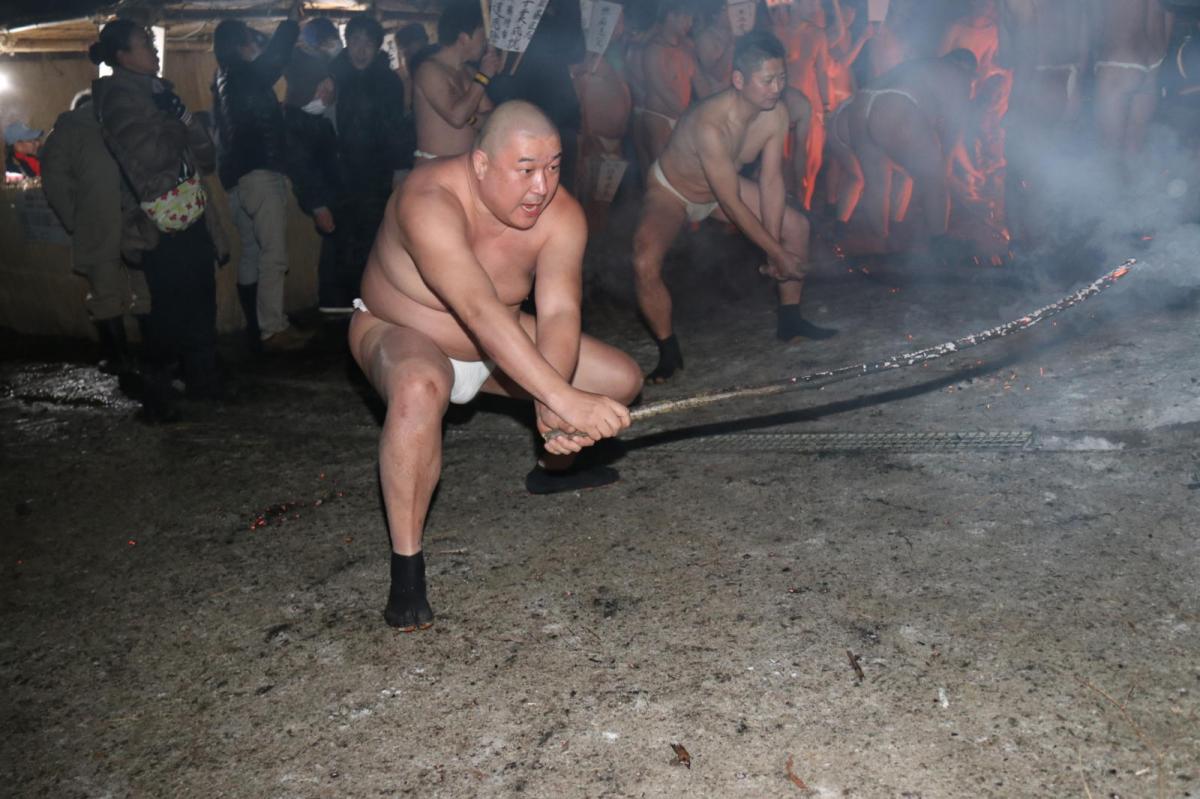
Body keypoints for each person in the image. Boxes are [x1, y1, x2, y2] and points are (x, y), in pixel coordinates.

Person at [347, 101, 642, 630]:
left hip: (499, 344)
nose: (541, 187)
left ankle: (552, 470)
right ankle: (406, 568)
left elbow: (557, 311)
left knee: (621, 379)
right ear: (480, 164)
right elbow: (477, 309)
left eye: (553, 167)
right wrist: (559, 393)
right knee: (418, 386)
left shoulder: (562, 214)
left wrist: (554, 410)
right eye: (525, 169)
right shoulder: (427, 198)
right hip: (404, 333)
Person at [631, 31, 835, 384]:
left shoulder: (775, 114)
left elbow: (771, 181)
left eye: (781, 78)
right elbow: (731, 202)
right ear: (739, 80)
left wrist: (775, 250)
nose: (776, 88)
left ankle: (790, 322)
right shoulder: (710, 123)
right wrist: (775, 253)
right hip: (674, 191)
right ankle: (668, 352)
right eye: (767, 80)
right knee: (644, 261)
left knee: (796, 228)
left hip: (723, 187)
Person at [90, 19, 225, 420]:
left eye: (151, 41)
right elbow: (152, 156)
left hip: (188, 208)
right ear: (122, 56)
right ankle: (156, 395)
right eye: (143, 43)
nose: (153, 49)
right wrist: (177, 123)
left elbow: (206, 156)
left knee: (201, 295)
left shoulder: (160, 92)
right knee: (169, 306)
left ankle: (203, 380)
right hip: (156, 219)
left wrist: (183, 119)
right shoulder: (117, 99)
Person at [213, 15, 312, 353]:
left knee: (252, 253)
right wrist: (289, 24)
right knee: (274, 254)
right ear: (241, 45)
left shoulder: (222, 79)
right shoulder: (242, 74)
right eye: (251, 41)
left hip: (238, 178)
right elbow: (273, 63)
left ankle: (256, 326)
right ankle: (273, 328)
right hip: (258, 173)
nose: (256, 47)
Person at [40, 89, 150, 385]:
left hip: (95, 217)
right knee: (144, 285)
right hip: (136, 214)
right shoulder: (126, 119)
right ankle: (155, 353)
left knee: (105, 292)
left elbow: (54, 181)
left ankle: (119, 358)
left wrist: (74, 220)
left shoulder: (64, 132)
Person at [845, 50, 979, 246]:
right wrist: (946, 162)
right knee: (935, 179)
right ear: (968, 69)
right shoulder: (960, 76)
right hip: (895, 105)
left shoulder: (925, 62)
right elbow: (954, 125)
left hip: (861, 103)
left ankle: (880, 241)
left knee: (877, 183)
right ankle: (940, 242)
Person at [329, 14, 412, 313]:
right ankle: (349, 308)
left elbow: (396, 128)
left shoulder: (388, 81)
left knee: (375, 241)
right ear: (346, 43)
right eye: (355, 41)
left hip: (376, 174)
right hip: (341, 174)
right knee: (344, 243)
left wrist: (400, 169)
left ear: (378, 47)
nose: (361, 49)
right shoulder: (333, 77)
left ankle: (374, 306)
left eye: (368, 42)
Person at [282, 36, 343, 314]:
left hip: (334, 192)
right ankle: (333, 305)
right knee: (333, 249)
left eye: (328, 86)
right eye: (321, 87)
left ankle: (337, 304)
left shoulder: (315, 117)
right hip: (325, 197)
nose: (326, 92)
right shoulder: (298, 121)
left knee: (338, 247)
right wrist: (318, 205)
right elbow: (301, 166)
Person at [412, 0, 500, 160]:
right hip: (434, 169)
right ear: (464, 38)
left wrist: (472, 118)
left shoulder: (470, 72)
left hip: (465, 166)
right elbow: (457, 118)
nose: (485, 42)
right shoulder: (429, 70)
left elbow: (492, 118)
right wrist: (484, 76)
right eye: (482, 35)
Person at [1090, 0, 1173, 165]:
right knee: (1135, 146)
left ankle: (1112, 188)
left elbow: (1093, 18)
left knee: (1109, 148)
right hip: (1154, 58)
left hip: (1120, 55)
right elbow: (1169, 12)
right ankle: (1138, 187)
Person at [770, 0, 832, 210]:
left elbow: (823, 73)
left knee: (811, 164)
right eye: (809, 2)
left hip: (811, 106)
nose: (815, 6)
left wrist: (827, 107)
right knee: (782, 163)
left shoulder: (818, 35)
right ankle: (782, 211)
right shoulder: (776, 32)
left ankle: (804, 209)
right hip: (780, 105)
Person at [635, 1, 696, 174]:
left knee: (681, 178)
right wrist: (690, 116)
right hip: (659, 119)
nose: (690, 23)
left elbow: (699, 82)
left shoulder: (688, 47)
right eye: (685, 17)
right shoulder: (654, 50)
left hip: (682, 118)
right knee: (662, 176)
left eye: (691, 18)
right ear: (670, 16)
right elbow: (661, 90)